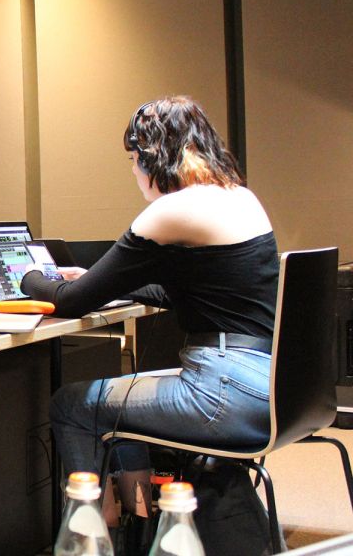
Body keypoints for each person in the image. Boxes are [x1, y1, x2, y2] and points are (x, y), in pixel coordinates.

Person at [19, 96, 277, 524]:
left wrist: (27, 278)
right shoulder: (240, 198)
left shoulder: (170, 210)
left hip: (222, 394)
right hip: (268, 384)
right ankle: (138, 520)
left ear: (151, 156)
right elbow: (190, 292)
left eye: (134, 157)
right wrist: (98, 279)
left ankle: (96, 535)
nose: (133, 169)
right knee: (122, 397)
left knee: (72, 404)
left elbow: (70, 303)